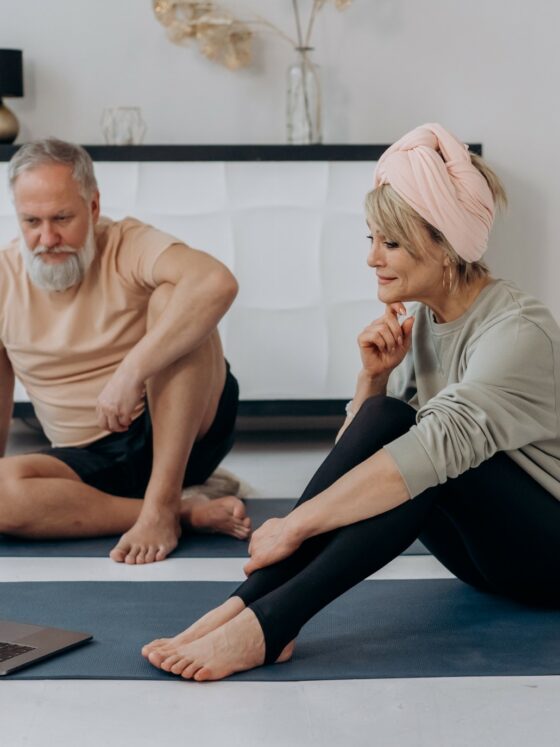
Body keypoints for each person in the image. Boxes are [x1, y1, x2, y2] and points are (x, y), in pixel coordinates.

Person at [142, 122, 560, 680]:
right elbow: (357, 461)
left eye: (390, 243)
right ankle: (251, 608)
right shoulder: (427, 323)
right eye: (372, 240)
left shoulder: (517, 331)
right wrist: (372, 380)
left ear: (445, 245)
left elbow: (422, 458)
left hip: (548, 559)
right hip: (487, 559)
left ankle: (267, 622)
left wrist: (295, 525)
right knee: (390, 418)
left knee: (427, 456)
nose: (372, 259)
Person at [0, 138, 251, 564]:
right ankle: (183, 510)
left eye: (62, 218)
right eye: (32, 221)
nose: (47, 237)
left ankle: (163, 500)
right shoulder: (5, 278)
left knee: (175, 295)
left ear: (93, 207)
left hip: (180, 432)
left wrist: (132, 372)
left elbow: (216, 282)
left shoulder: (127, 242)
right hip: (89, 462)